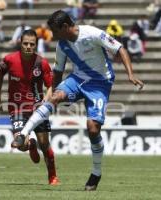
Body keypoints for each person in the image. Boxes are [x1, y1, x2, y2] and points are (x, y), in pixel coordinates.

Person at [12, 10, 144, 191]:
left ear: (65, 27)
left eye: (55, 31)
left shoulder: (92, 33)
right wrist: (54, 95)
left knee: (92, 128)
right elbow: (58, 71)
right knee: (55, 97)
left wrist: (130, 74)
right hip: (77, 79)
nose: (53, 35)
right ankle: (23, 134)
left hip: (100, 83)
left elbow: (120, 48)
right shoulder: (62, 45)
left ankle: (96, 173)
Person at [0, 29, 59, 185]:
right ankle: (30, 145)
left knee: (45, 144)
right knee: (20, 144)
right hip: (17, 108)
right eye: (26, 43)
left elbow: (51, 85)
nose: (29, 46)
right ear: (20, 43)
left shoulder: (41, 63)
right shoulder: (9, 60)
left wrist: (46, 98)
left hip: (38, 108)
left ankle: (52, 176)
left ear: (36, 45)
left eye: (32, 44)